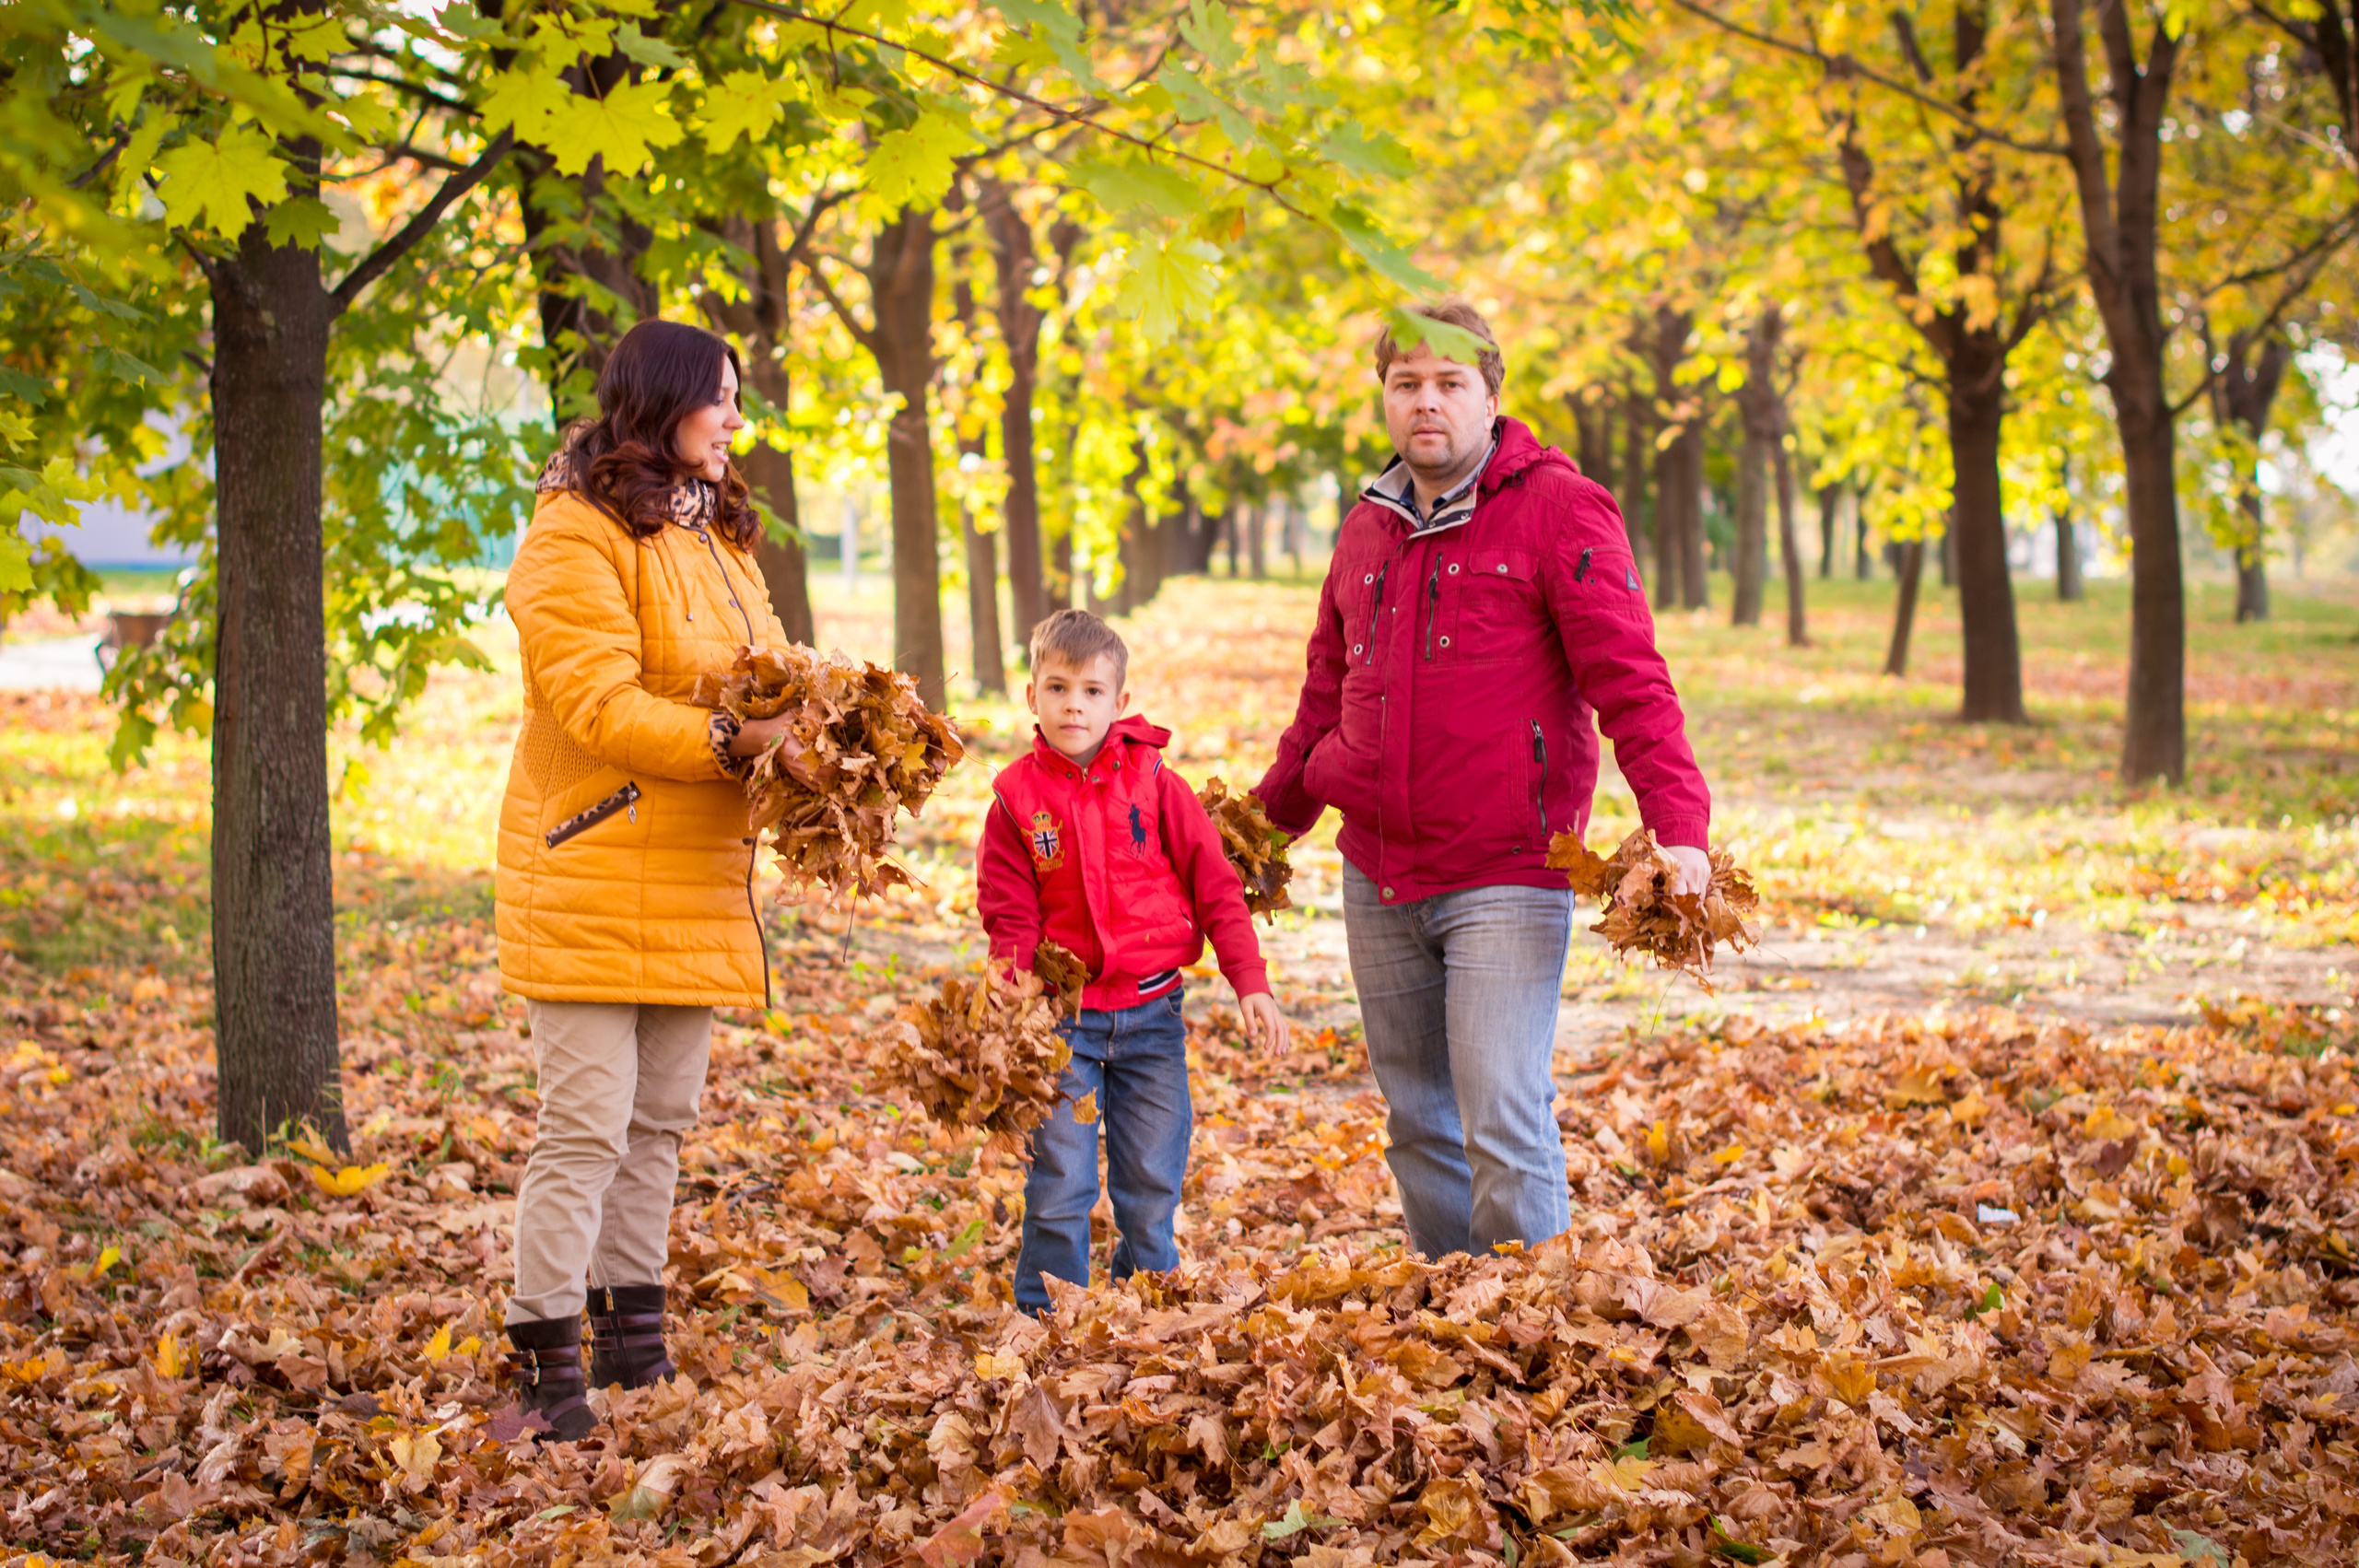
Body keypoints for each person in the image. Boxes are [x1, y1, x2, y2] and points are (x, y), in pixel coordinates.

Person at [1253, 299, 1713, 1261]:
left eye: (1449, 384)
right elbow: (1322, 701)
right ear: (1384, 397)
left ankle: (1543, 1336)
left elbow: (1631, 682)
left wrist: (1679, 825)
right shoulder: (1366, 528)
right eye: (1405, 383)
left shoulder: (1559, 510)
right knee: (1418, 1119)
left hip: (1505, 868)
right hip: (1376, 870)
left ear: (1491, 397)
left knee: (1500, 1117)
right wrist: (1254, 839)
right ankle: (1452, 1321)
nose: (1427, 402)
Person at [494, 318, 806, 1439]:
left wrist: (826, 737)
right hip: (588, 858)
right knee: (584, 1123)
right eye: (719, 398)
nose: (736, 420)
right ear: (664, 402)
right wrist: (741, 740)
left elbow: (782, 678)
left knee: (660, 1123)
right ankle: (544, 1368)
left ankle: (635, 1344)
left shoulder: (720, 542)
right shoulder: (572, 534)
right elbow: (600, 704)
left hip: (690, 872)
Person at [977, 610, 1287, 1314]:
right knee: (1060, 1175)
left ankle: (1147, 1296)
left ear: (1119, 703)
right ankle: (1047, 1311)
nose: (1073, 705)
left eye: (1090, 691)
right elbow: (1008, 908)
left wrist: (1250, 981)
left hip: (1151, 1015)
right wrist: (1011, 981)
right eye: (1056, 689)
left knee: (1152, 1171)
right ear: (1032, 697)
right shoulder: (1016, 799)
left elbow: (1215, 886)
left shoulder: (1155, 783)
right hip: (1065, 1021)